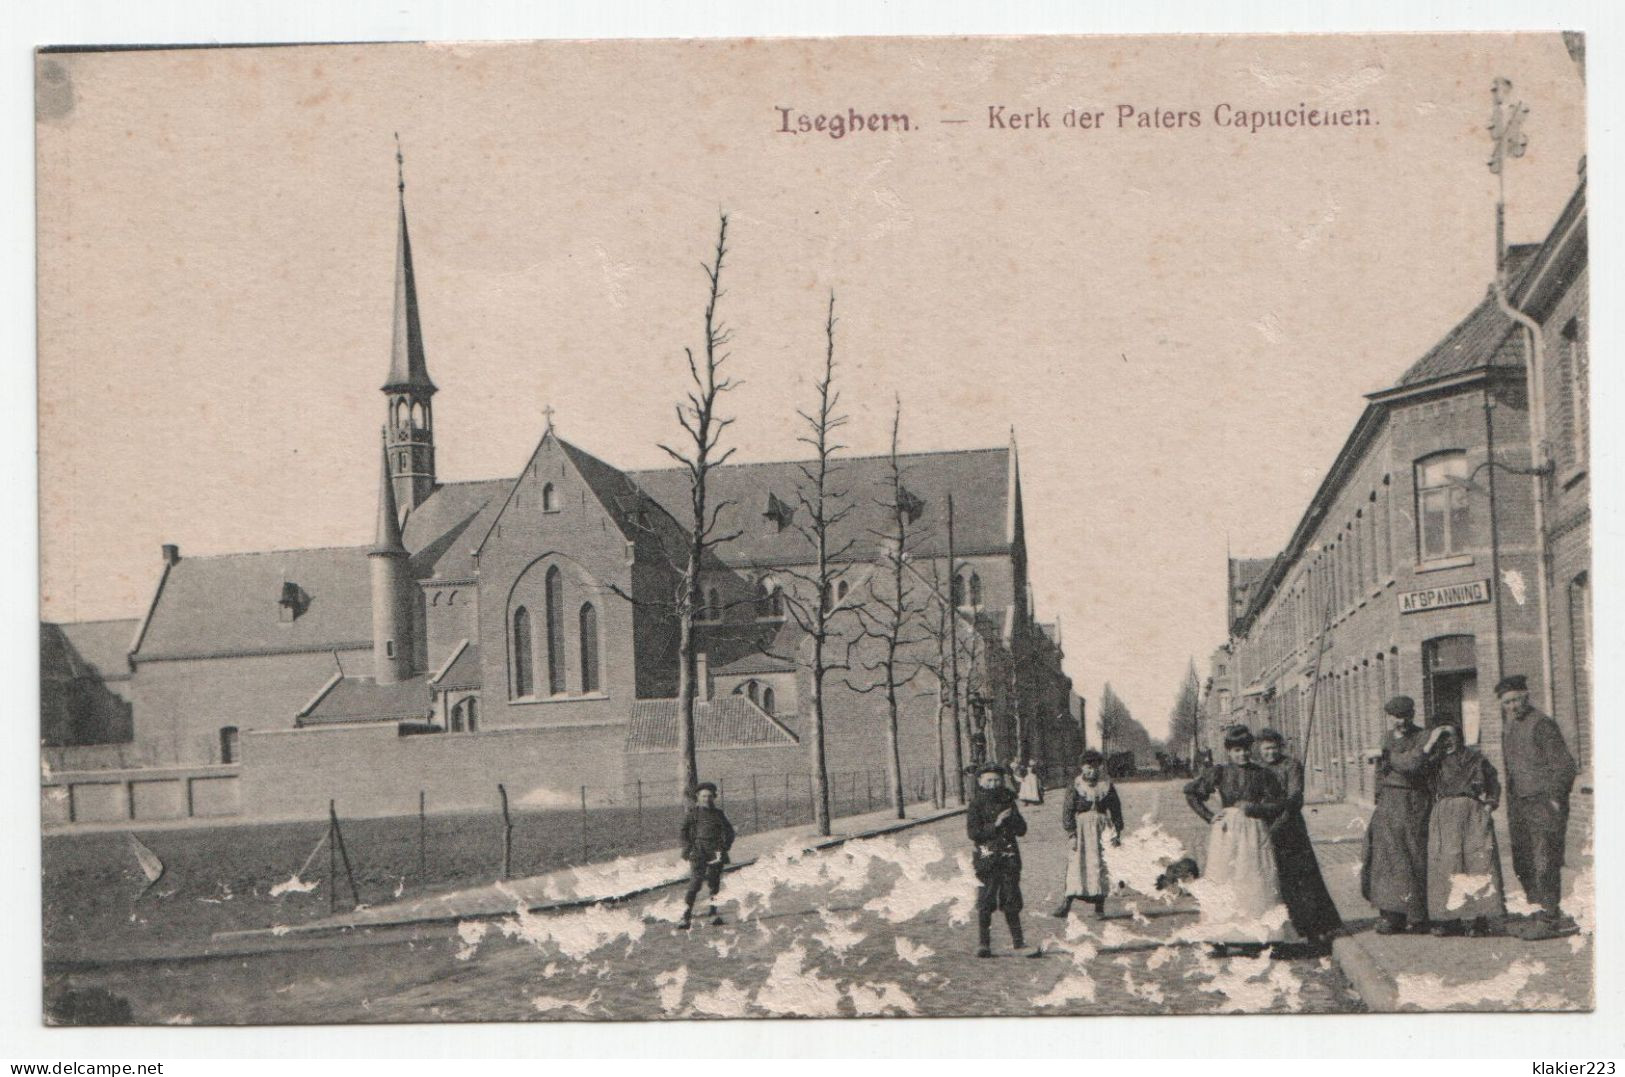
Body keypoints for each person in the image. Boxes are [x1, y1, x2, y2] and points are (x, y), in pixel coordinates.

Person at [1183, 725, 1294, 954]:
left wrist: (1257, 810)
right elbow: (1192, 792)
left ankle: (1261, 935)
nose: (1241, 755)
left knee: (1254, 878)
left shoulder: (1263, 774)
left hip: (1254, 830)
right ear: (1228, 752)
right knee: (1224, 878)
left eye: (1245, 750)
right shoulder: (1220, 772)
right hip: (1227, 833)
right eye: (1236, 750)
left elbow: (1280, 805)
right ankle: (1220, 936)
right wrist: (1210, 816)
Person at [1497, 674, 1579, 931]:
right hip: (1519, 805)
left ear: (1526, 697)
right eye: (1507, 702)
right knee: (1523, 860)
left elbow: (1565, 767)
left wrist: (1555, 800)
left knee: (1545, 859)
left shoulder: (1542, 724)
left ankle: (1551, 912)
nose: (1512, 706)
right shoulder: (1509, 727)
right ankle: (1539, 907)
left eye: (1516, 700)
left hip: (1543, 804)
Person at [1360, 695, 1442, 934]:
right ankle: (1391, 914)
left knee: (1413, 856)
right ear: (1390, 717)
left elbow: (1414, 764)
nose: (1401, 721)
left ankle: (1417, 916)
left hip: (1413, 801)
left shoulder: (1423, 736)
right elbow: (1380, 773)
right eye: (1397, 717)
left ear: (1413, 715)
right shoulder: (1386, 738)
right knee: (1385, 859)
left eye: (1406, 716)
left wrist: (1386, 756)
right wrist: (1378, 798)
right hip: (1388, 804)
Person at [1256, 728, 1342, 952]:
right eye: (1266, 748)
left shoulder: (1291, 766)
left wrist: (1280, 821)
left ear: (1280, 747)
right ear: (1259, 749)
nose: (1270, 752)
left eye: (1274, 748)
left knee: (1301, 878)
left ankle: (1314, 928)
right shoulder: (1258, 769)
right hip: (1264, 827)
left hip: (1290, 827)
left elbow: (1295, 797)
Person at [1425, 724, 1506, 936]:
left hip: (1473, 814)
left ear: (1459, 737)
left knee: (1477, 864)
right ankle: (1446, 919)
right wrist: (1430, 744)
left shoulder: (1476, 758)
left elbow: (1494, 783)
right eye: (1442, 739)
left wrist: (1489, 804)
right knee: (1446, 866)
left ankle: (1476, 920)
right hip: (1444, 815)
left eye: (1450, 737)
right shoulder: (1434, 762)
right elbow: (1417, 772)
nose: (1447, 742)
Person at [966, 762, 1037, 958]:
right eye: (989, 780)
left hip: (1008, 858)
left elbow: (1022, 830)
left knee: (1011, 899)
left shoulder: (1008, 801)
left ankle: (1018, 942)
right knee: (985, 901)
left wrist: (1012, 818)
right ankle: (984, 944)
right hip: (986, 859)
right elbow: (973, 833)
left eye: (997, 780)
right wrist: (996, 824)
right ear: (980, 781)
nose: (993, 784)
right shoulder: (976, 804)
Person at [1054, 749, 1123, 919]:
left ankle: (1099, 907)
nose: (1092, 771)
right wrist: (1071, 834)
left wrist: (1117, 831)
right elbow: (1068, 810)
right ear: (1082, 768)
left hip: (1102, 828)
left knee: (1100, 865)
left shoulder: (1107, 785)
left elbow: (1115, 809)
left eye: (1095, 767)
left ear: (1100, 768)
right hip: (1081, 829)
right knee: (1076, 865)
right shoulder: (1076, 785)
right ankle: (1066, 903)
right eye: (1088, 767)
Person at [678, 781, 735, 930]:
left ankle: (713, 914)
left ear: (714, 797)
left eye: (710, 796)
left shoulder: (718, 814)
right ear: (698, 797)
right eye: (703, 796)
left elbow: (729, 831)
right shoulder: (693, 814)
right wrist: (688, 847)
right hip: (699, 850)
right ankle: (685, 916)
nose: (706, 799)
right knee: (695, 883)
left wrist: (725, 847)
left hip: (715, 851)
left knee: (714, 884)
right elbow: (683, 831)